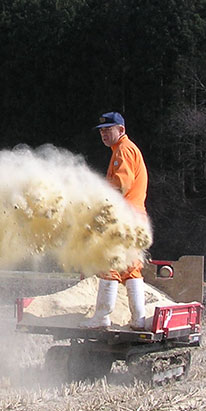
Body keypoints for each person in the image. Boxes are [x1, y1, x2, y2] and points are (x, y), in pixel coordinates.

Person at [81, 111, 149, 330]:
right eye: (101, 131)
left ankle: (102, 317)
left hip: (123, 217)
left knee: (108, 263)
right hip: (135, 217)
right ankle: (139, 320)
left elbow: (120, 185)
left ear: (121, 130)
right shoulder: (125, 149)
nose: (103, 134)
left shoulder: (123, 150)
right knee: (131, 268)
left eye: (108, 129)